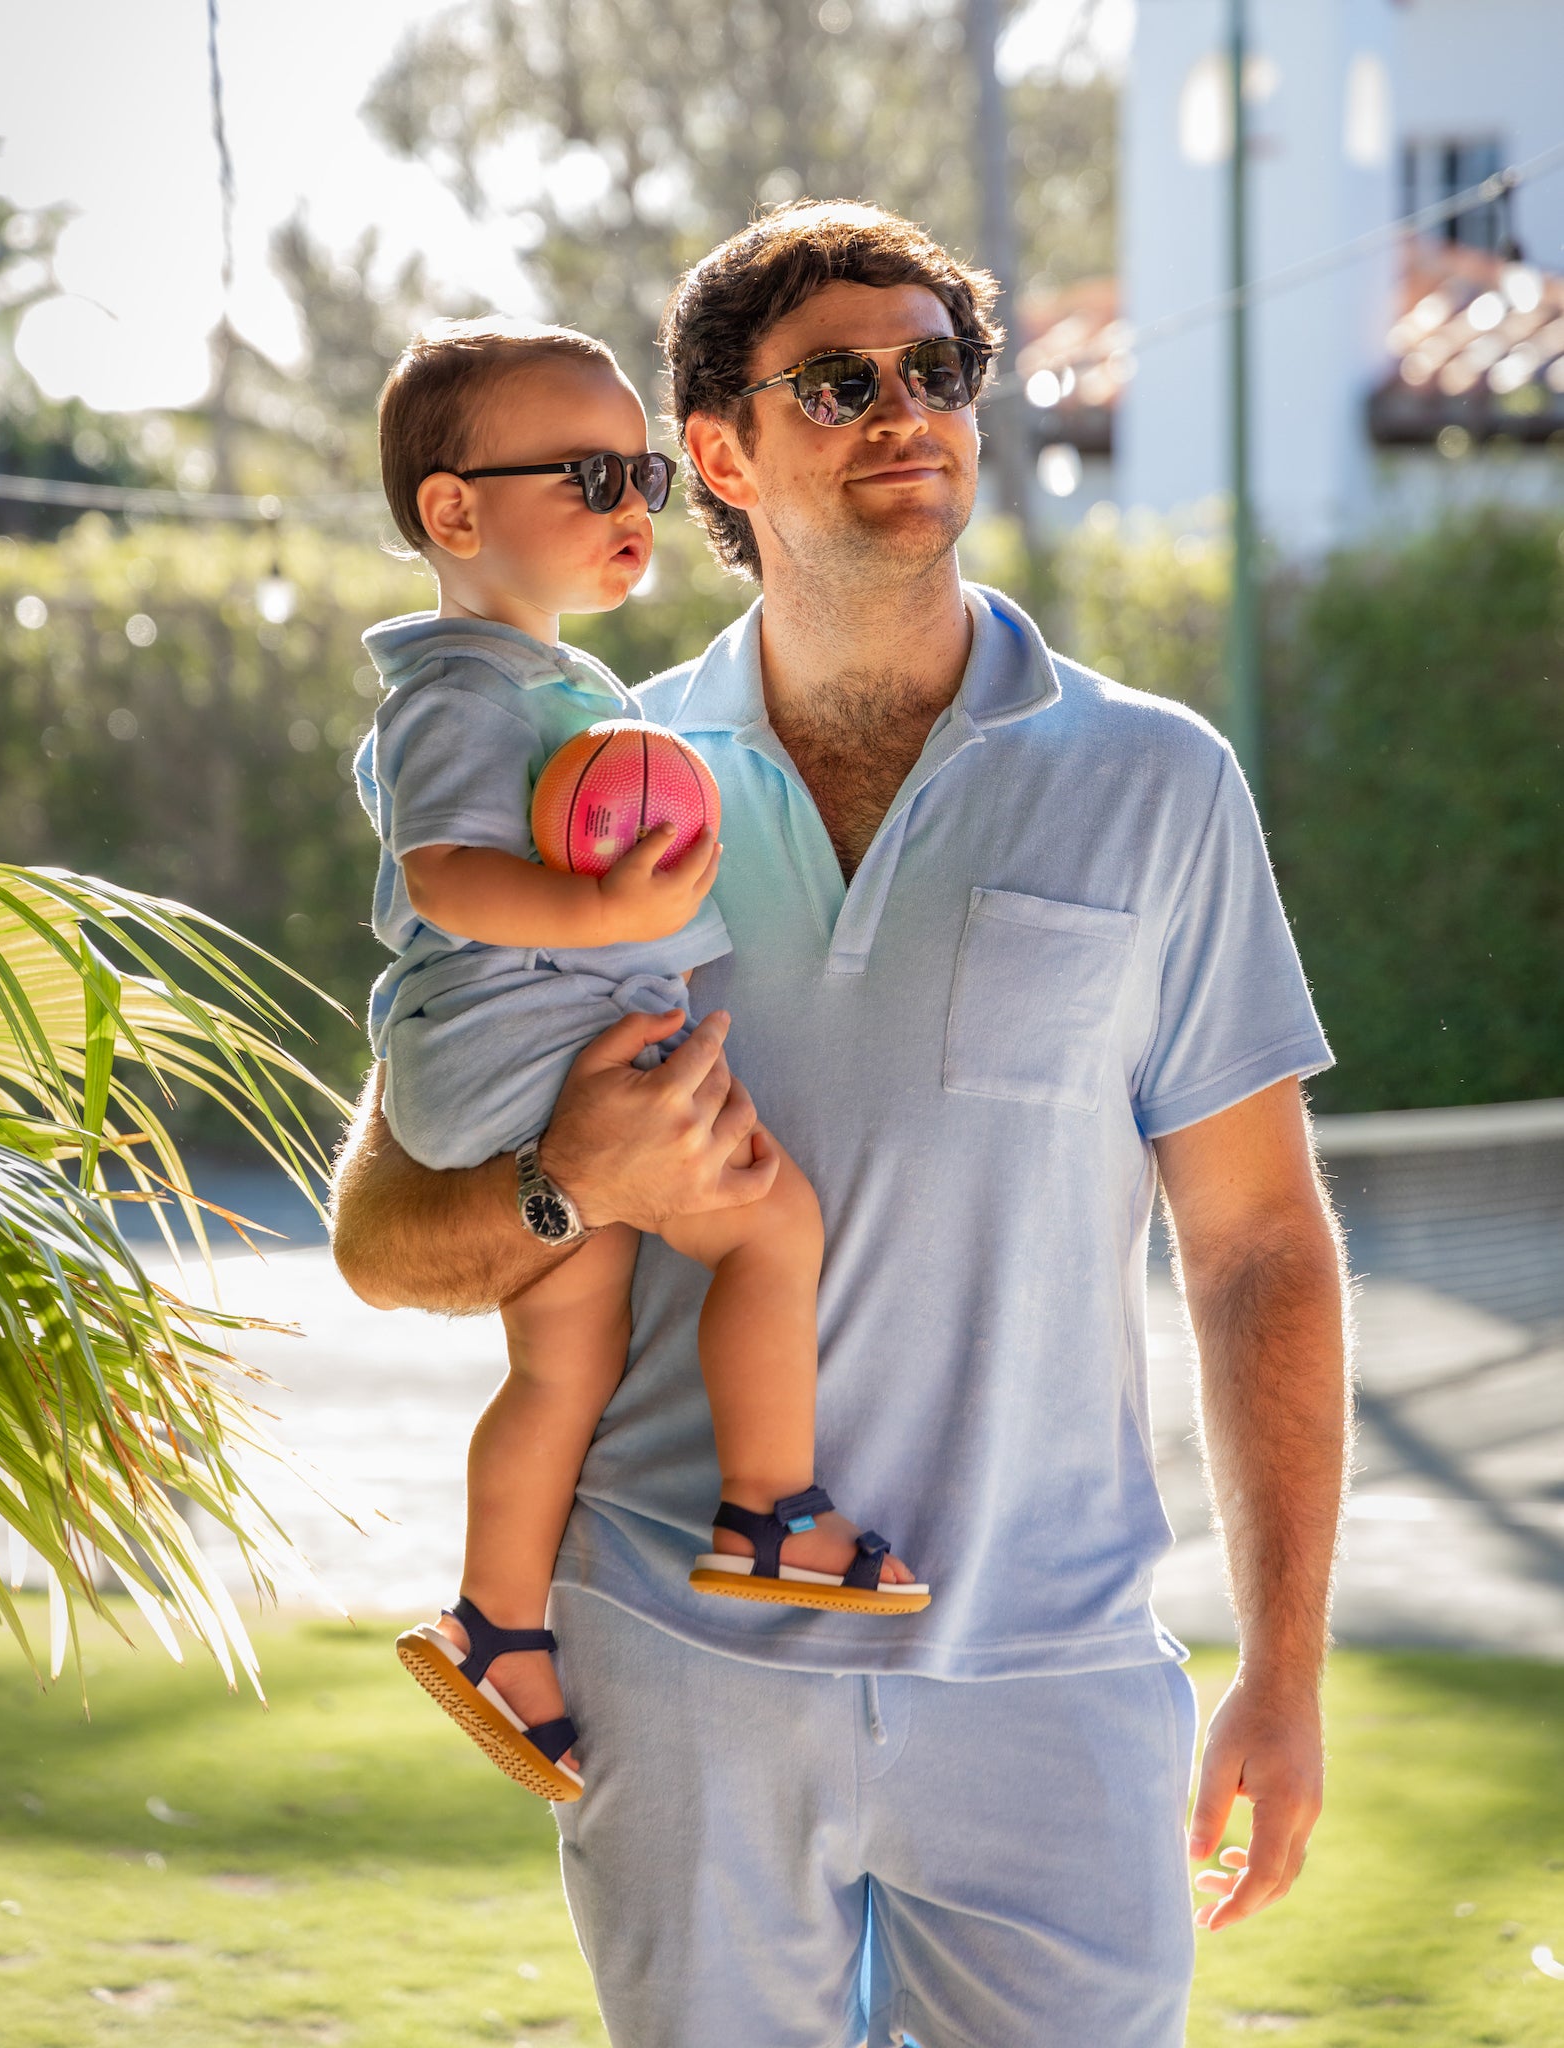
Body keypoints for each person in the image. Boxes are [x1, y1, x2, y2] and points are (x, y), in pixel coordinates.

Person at [331, 204, 1351, 2048]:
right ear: (715, 450)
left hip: (1048, 1678)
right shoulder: (582, 773)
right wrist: (577, 1184)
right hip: (675, 1659)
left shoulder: (1158, 781)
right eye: (836, 380)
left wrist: (1281, 1672)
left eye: (937, 370)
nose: (906, 411)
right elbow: (386, 1239)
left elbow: (1259, 1245)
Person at [357, 318, 925, 1802]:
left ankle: (498, 1625)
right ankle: (770, 1508)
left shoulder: (545, 680)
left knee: (567, 1358)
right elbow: (442, 880)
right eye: (591, 474)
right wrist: (608, 910)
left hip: (527, 1054)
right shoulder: (463, 690)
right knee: (773, 1228)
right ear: (454, 510)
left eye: (645, 477)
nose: (630, 509)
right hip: (535, 1057)